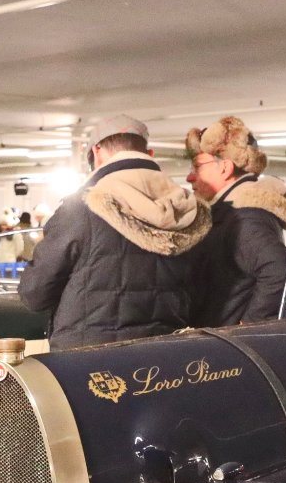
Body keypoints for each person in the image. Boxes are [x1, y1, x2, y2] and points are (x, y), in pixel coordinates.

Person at [19, 114, 209, 349]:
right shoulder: (189, 210)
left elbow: (34, 294)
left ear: (97, 151)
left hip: (88, 356)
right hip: (162, 354)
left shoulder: (81, 208)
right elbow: (200, 293)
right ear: (149, 154)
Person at [185, 114, 286, 326]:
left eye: (197, 167)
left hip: (225, 341)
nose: (190, 177)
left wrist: (249, 326)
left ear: (225, 168)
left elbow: (279, 271)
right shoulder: (234, 212)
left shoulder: (244, 217)